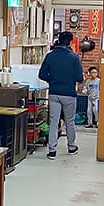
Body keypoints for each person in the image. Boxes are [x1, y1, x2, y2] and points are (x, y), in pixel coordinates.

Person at [40, 31, 84, 160]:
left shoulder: (50, 56)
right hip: (69, 94)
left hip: (54, 93)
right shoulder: (74, 58)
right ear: (70, 42)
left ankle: (52, 150)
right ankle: (71, 147)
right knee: (69, 121)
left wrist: (52, 80)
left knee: (54, 121)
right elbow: (79, 77)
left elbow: (42, 74)